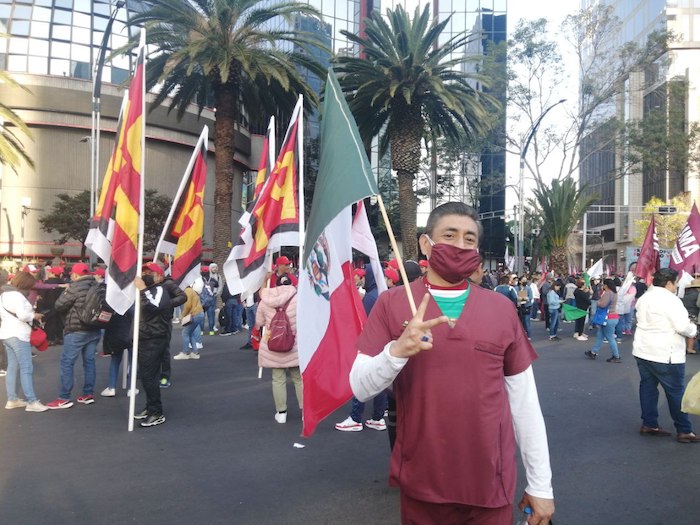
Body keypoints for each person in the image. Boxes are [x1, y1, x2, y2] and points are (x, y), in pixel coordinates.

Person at [349, 202, 554, 525]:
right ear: (426, 243)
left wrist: (541, 485)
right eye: (450, 235)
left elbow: (525, 403)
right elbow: (360, 387)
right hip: (422, 484)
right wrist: (396, 352)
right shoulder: (392, 303)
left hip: (490, 484)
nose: (460, 245)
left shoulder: (500, 309)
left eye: (469, 239)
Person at [632, 268, 700, 443]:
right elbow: (683, 327)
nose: (676, 286)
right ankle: (684, 430)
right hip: (666, 353)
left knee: (647, 388)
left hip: (643, 350)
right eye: (675, 282)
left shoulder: (645, 297)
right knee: (675, 392)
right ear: (669, 283)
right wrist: (693, 329)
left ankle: (649, 423)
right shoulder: (671, 300)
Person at [336, 266, 387, 433]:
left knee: (360, 379)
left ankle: (356, 418)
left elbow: (361, 320)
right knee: (379, 381)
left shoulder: (371, 298)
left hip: (369, 344)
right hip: (381, 343)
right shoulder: (381, 294)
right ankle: (378, 418)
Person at [47, 263, 102, 409]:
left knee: (67, 362)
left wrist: (66, 292)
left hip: (76, 329)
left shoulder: (75, 287)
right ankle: (88, 393)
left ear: (76, 275)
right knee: (89, 361)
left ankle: (64, 397)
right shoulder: (97, 285)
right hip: (95, 329)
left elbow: (59, 305)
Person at [0, 272, 48, 412]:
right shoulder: (18, 296)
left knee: (12, 367)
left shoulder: (3, 295)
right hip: (19, 335)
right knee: (26, 368)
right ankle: (32, 401)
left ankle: (12, 399)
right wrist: (34, 315)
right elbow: (23, 316)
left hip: (6, 334)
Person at [256, 283, 302, 424]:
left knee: (278, 379)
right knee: (298, 379)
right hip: (293, 345)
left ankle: (281, 413)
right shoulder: (298, 299)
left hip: (273, 346)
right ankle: (305, 411)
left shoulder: (265, 301)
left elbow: (259, 322)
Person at [133, 268, 172, 428]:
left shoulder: (160, 290)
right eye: (144, 271)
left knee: (149, 377)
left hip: (154, 338)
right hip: (145, 337)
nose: (145, 275)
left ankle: (156, 412)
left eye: (150, 272)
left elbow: (151, 309)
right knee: (146, 376)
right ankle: (150, 407)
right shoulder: (149, 291)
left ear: (158, 276)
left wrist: (142, 290)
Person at [585, 278, 621, 363]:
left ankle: (616, 356)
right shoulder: (614, 293)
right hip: (613, 316)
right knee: (600, 335)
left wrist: (598, 302)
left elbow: (603, 305)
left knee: (610, 337)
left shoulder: (608, 293)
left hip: (607, 318)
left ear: (606, 285)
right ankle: (593, 351)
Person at [174, 284, 205, 360]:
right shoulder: (191, 291)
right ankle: (195, 353)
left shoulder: (187, 291)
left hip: (194, 314)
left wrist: (182, 316)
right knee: (190, 333)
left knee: (185, 333)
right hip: (199, 313)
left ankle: (185, 352)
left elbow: (187, 305)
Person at [681, 277, 700, 354]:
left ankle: (685, 347)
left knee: (686, 331)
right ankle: (690, 348)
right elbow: (698, 304)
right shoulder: (697, 294)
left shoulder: (685, 294)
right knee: (692, 332)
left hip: (685, 313)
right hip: (694, 314)